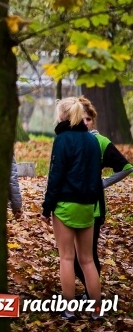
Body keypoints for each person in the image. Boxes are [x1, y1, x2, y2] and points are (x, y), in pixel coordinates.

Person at [41, 97, 103, 322]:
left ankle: (69, 309)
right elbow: (96, 176)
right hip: (87, 206)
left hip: (65, 206)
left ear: (64, 116)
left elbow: (55, 177)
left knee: (67, 258)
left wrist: (47, 208)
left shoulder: (62, 140)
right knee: (87, 260)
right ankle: (97, 311)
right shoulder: (92, 140)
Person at [74, 96, 133, 291]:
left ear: (93, 121)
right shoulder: (69, 140)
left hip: (94, 208)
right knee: (72, 258)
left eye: (88, 119)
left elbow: (125, 167)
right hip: (70, 206)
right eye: (81, 119)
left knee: (88, 255)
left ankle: (92, 296)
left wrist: (103, 183)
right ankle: (90, 291)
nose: (85, 123)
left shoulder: (101, 142)